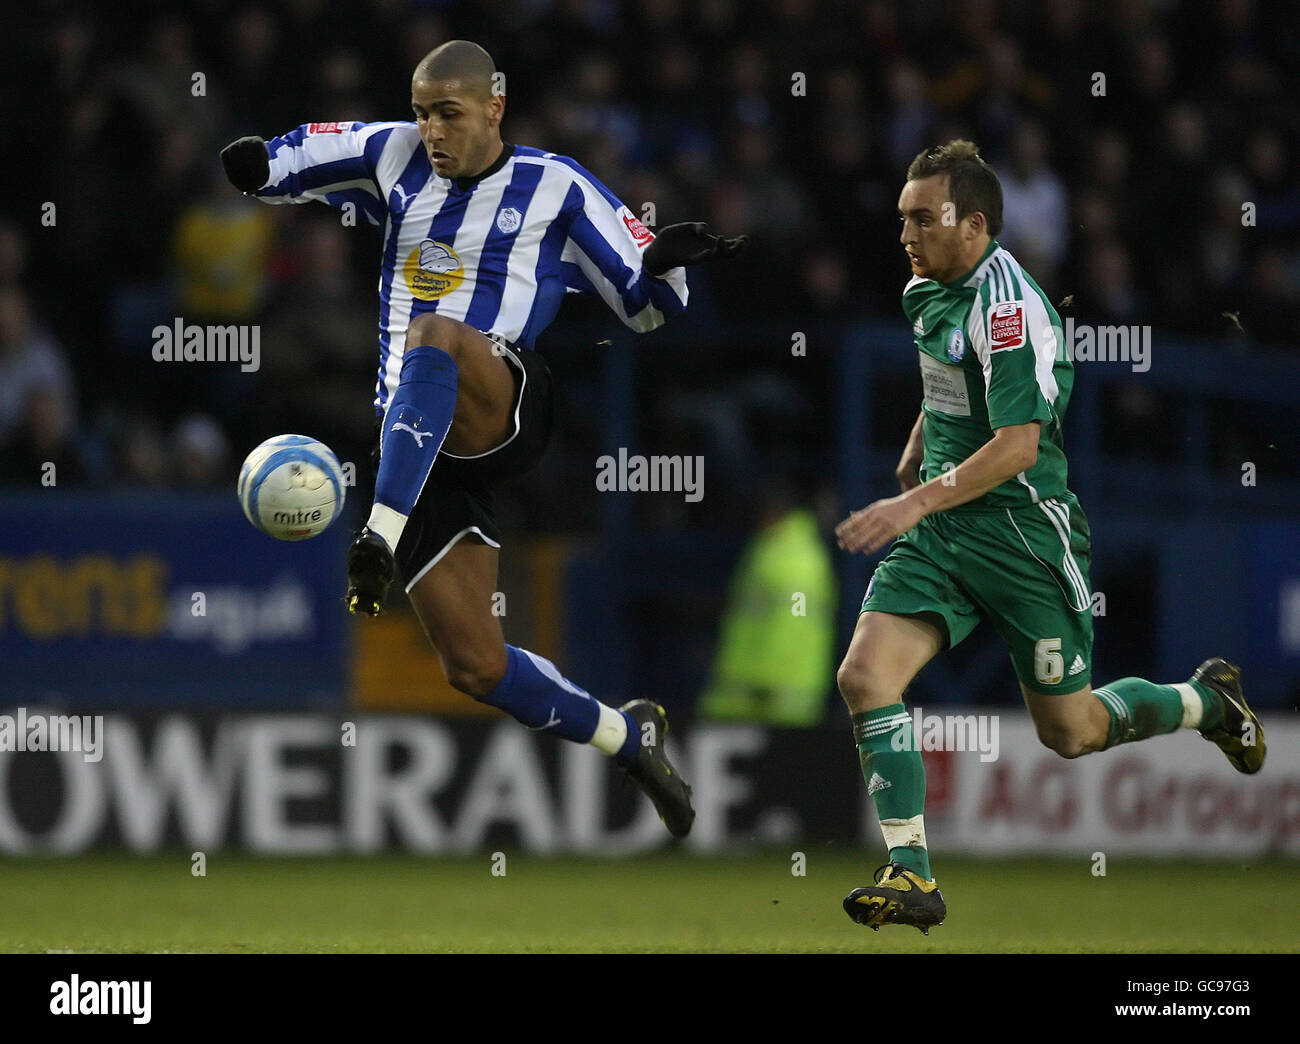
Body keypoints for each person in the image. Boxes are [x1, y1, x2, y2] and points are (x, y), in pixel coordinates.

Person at [219, 40, 747, 839]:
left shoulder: (555, 186)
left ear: (494, 107)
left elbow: (643, 305)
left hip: (506, 405)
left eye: (449, 114)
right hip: (421, 447)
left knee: (437, 331)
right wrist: (257, 166)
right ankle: (628, 735)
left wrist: (668, 264)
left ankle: (378, 534)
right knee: (476, 665)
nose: (431, 129)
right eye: (424, 112)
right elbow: (301, 155)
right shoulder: (394, 154)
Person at [833, 140, 1266, 933]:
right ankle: (912, 874)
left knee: (1071, 732)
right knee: (865, 677)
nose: (906, 233)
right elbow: (949, 380)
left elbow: (1019, 446)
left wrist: (912, 503)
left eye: (923, 218)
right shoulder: (925, 290)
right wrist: (916, 444)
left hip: (1025, 537)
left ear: (976, 224)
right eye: (902, 217)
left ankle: (1208, 701)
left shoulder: (1011, 310)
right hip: (944, 537)